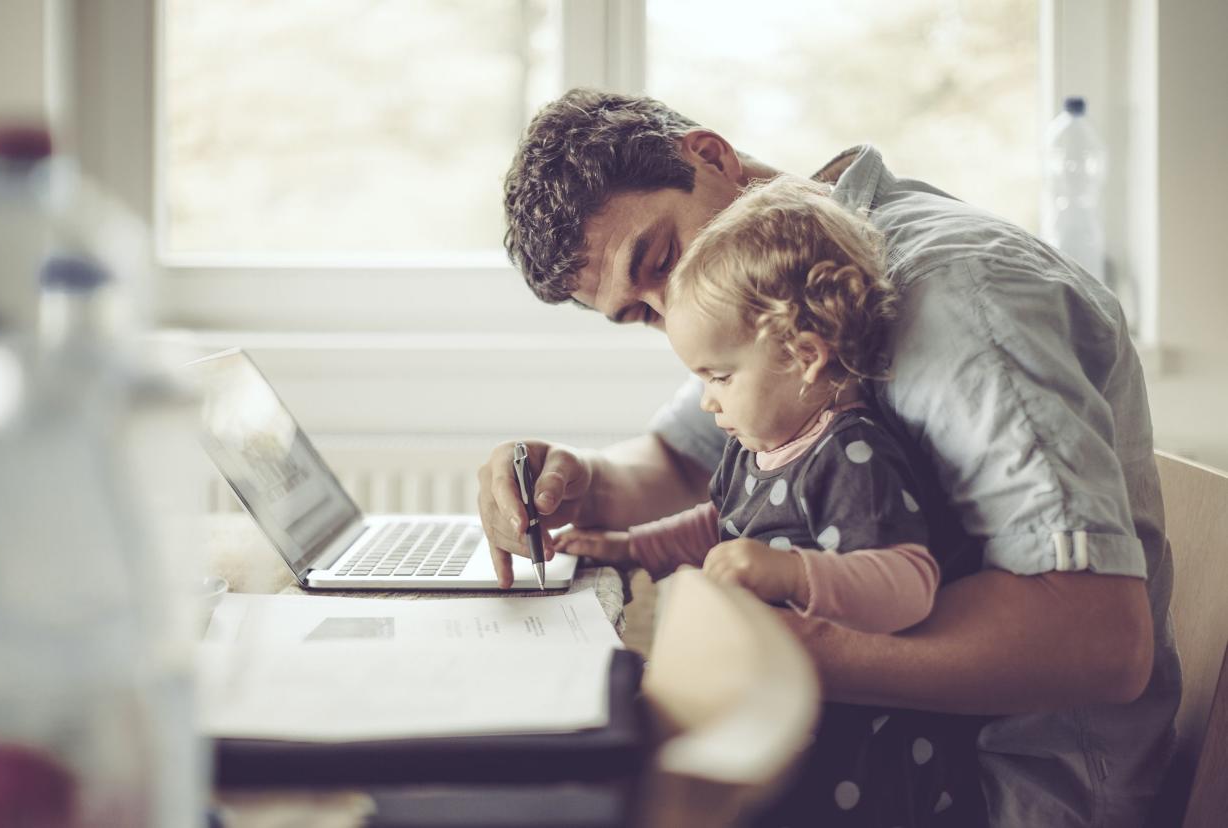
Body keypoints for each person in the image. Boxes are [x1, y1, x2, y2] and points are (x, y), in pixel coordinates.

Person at [479, 88, 1176, 827]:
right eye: (643, 314)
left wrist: (776, 649)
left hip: (1012, 792)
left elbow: (1101, 638)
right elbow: (682, 462)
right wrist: (574, 482)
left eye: (661, 259)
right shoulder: (771, 278)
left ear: (711, 157)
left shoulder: (957, 296)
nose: (674, 307)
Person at [556, 173, 988, 824]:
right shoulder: (752, 446)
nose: (707, 400)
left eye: (720, 376)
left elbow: (908, 583)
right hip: (798, 717)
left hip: (870, 762)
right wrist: (628, 550)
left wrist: (788, 570)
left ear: (805, 355)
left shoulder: (853, 454)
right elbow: (720, 526)